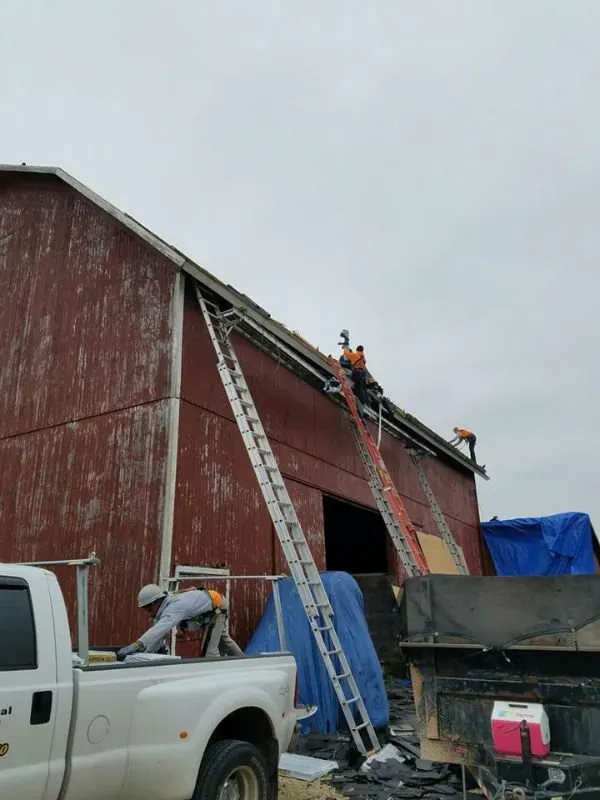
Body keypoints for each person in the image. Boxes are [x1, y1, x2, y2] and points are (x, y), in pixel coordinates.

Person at [116, 584, 244, 661]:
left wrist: (136, 645)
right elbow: (159, 634)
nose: (149, 613)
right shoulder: (168, 603)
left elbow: (158, 630)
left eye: (149, 609)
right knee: (224, 640)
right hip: (211, 606)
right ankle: (245, 661)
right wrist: (146, 654)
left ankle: (216, 678)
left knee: (210, 652)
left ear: (157, 602)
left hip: (217, 608)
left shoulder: (174, 607)